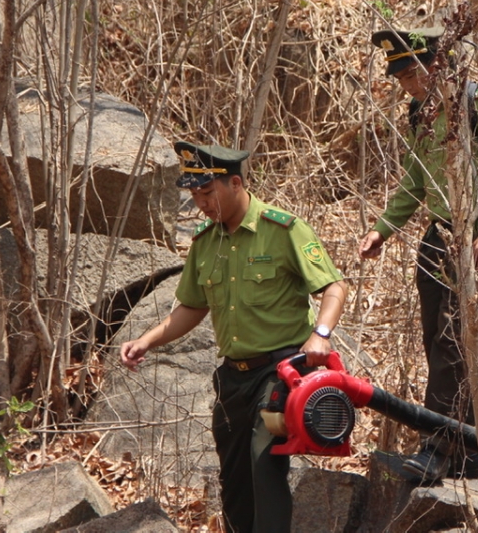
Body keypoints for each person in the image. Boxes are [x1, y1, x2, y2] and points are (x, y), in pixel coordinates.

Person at [120, 142, 347, 533]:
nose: (201, 204)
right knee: (235, 482)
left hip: (281, 371)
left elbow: (335, 287)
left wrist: (320, 335)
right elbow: (192, 307)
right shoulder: (205, 242)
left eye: (208, 194)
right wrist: (147, 340)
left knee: (264, 465)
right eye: (195, 196)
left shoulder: (283, 230)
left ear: (236, 183)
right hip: (232, 379)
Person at [358, 27, 478, 484]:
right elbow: (416, 178)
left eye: (414, 73)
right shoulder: (420, 114)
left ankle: (438, 445)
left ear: (439, 64)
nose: (409, 84)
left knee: (453, 341)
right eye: (402, 77)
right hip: (439, 234)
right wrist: (383, 229)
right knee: (436, 339)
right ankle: (465, 444)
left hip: (477, 240)